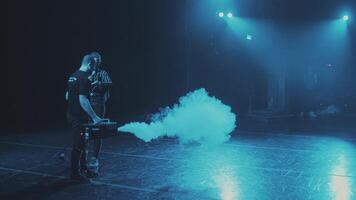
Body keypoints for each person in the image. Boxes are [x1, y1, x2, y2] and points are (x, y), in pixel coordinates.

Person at [66, 54, 104, 182]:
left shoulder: (73, 76)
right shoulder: (85, 78)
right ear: (89, 64)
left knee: (82, 144)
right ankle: (75, 174)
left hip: (71, 114)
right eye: (94, 66)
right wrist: (95, 117)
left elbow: (67, 96)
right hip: (78, 118)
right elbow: (83, 100)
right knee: (78, 145)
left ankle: (83, 169)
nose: (94, 69)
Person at [87, 52, 112, 173]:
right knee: (85, 129)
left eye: (97, 60)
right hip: (86, 102)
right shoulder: (87, 73)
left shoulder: (102, 73)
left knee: (97, 130)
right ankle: (83, 153)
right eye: (93, 59)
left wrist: (99, 83)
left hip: (98, 103)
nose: (95, 61)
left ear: (99, 61)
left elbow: (109, 83)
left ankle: (94, 157)